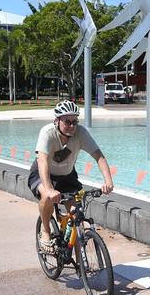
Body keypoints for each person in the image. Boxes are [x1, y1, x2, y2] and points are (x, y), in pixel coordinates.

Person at [28, 100, 113, 251]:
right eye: (67, 122)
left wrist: (108, 181)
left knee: (76, 217)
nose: (72, 126)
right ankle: (46, 230)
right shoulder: (47, 133)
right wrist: (49, 189)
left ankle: (82, 266)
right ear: (57, 121)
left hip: (67, 176)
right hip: (43, 173)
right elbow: (42, 161)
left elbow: (99, 156)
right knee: (46, 197)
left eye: (75, 121)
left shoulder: (80, 133)